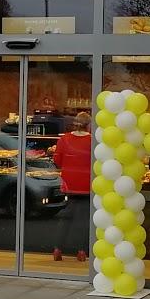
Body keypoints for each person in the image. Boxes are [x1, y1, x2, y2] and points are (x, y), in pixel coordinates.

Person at [51, 111, 92, 261]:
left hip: (69, 183)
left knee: (65, 217)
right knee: (83, 219)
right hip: (86, 184)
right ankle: (81, 251)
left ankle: (57, 249)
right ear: (88, 125)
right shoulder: (93, 141)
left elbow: (58, 161)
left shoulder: (64, 139)